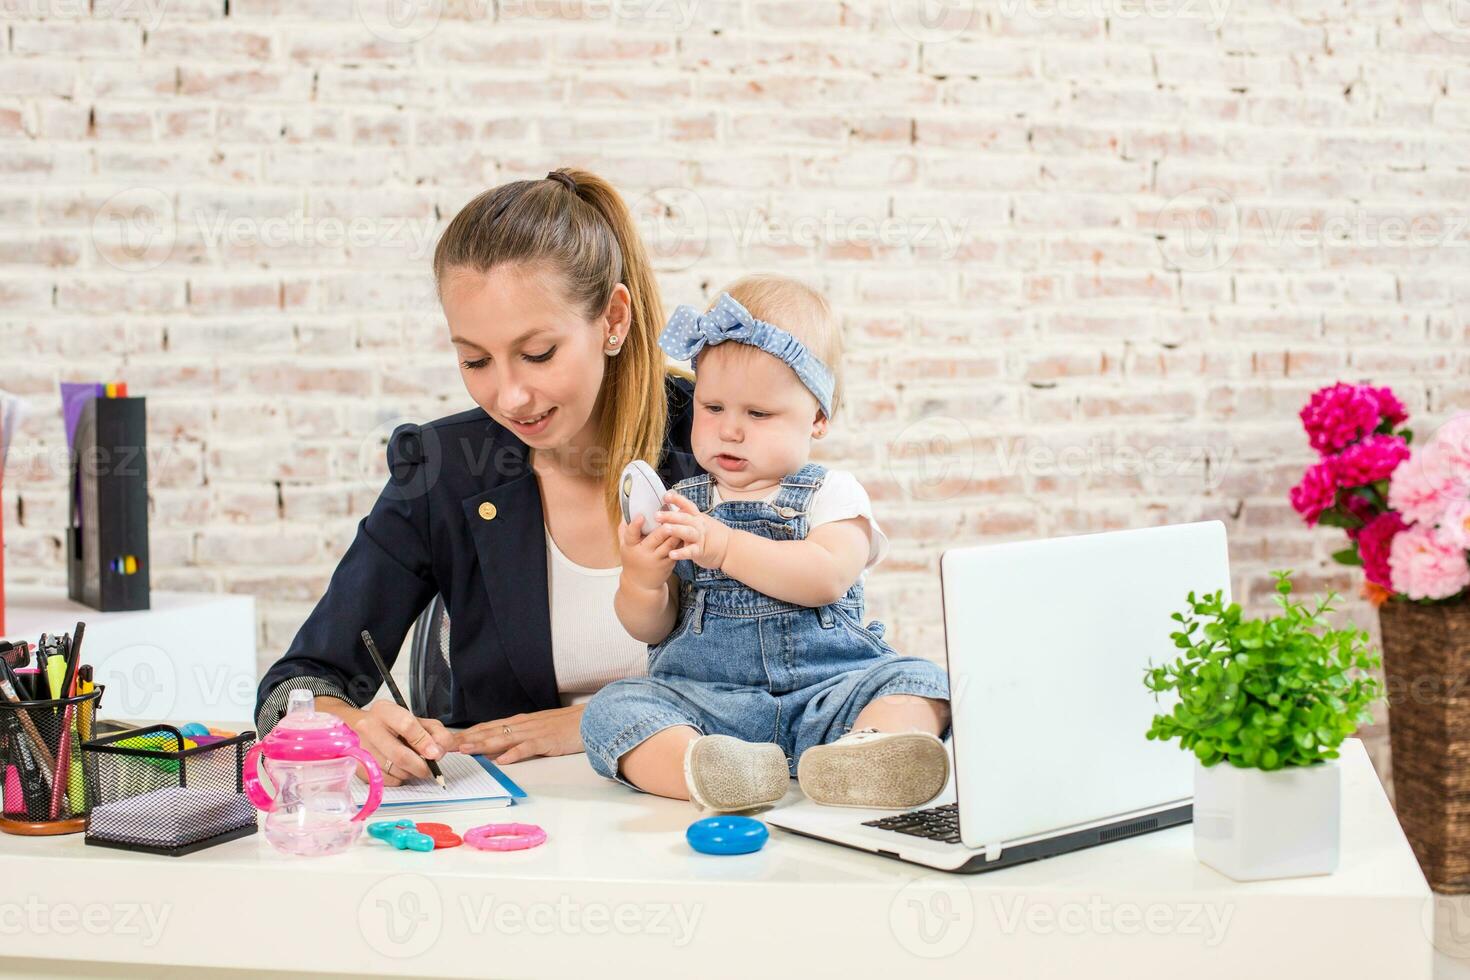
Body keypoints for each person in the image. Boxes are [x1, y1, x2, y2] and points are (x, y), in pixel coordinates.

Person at [253, 168, 701, 785]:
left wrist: (600, 719)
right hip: (515, 835)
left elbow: (807, 674)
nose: (510, 396)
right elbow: (297, 680)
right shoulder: (444, 469)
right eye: (475, 360)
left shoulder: (723, 443)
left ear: (613, 320)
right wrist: (340, 721)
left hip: (706, 812)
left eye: (538, 353)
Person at [581, 275, 952, 811]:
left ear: (818, 418)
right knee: (613, 709)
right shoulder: (682, 503)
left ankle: (863, 755)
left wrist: (724, 548)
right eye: (713, 409)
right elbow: (653, 628)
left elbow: (825, 576)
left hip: (827, 695)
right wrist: (643, 579)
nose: (731, 430)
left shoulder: (831, 492)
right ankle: (710, 768)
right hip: (710, 706)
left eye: (758, 414)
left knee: (921, 681)